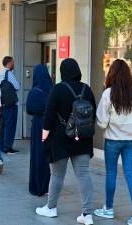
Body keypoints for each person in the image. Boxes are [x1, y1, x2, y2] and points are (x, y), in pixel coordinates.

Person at [35, 58, 96, 225]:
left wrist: (44, 137)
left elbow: (48, 116)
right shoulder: (87, 89)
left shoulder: (57, 89)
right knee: (83, 175)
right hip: (82, 139)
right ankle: (87, 214)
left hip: (59, 139)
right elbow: (93, 115)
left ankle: (51, 208)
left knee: (57, 175)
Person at [93, 59, 132, 225]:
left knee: (111, 174)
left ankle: (108, 209)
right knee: (130, 175)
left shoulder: (109, 93)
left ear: (112, 73)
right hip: (131, 141)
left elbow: (101, 121)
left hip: (113, 140)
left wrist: (110, 122)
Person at [26, 64, 53, 196]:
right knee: (47, 155)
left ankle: (37, 186)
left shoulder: (34, 91)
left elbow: (29, 109)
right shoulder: (52, 90)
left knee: (37, 154)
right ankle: (48, 185)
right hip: (51, 126)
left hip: (38, 125)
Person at [0, 56, 20, 154]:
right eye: (13, 62)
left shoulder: (1, 73)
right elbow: (17, 86)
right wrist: (18, 82)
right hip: (11, 104)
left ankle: (2, 146)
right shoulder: (9, 74)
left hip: (3, 103)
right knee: (10, 126)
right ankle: (8, 147)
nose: (14, 64)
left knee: (3, 126)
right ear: (9, 63)